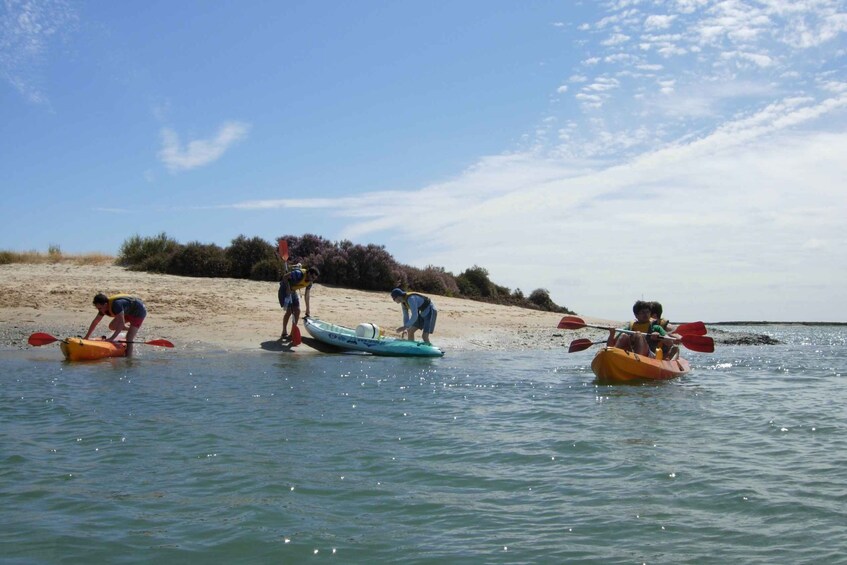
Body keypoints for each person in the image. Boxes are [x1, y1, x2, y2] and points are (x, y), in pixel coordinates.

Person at [606, 299, 675, 358]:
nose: (646, 314)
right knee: (624, 336)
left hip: (650, 356)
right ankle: (612, 357)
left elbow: (670, 342)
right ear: (636, 315)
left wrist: (660, 337)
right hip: (633, 354)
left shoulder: (656, 327)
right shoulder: (630, 328)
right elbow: (610, 346)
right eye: (642, 312)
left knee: (639, 335)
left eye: (648, 312)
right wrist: (612, 334)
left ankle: (638, 360)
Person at [278, 266, 320, 341]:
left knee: (297, 311)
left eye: (314, 278)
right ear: (309, 273)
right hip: (284, 290)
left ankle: (292, 334)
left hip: (293, 291)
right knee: (289, 311)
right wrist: (287, 288)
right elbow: (284, 277)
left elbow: (307, 295)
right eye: (312, 277)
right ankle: (284, 332)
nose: (312, 280)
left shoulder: (310, 283)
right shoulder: (298, 274)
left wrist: (307, 309)